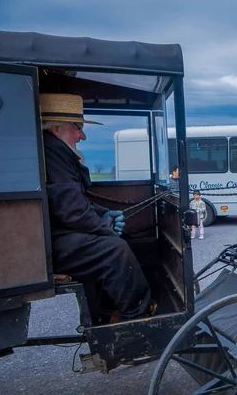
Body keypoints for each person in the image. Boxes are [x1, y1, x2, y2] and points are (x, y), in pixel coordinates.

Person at [40, 93, 156, 322]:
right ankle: (137, 319)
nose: (82, 136)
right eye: (78, 127)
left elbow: (74, 201)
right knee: (114, 249)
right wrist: (106, 230)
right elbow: (72, 211)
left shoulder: (55, 151)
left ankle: (108, 313)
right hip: (50, 243)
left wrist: (103, 213)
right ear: (56, 129)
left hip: (52, 234)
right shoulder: (53, 152)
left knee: (118, 243)